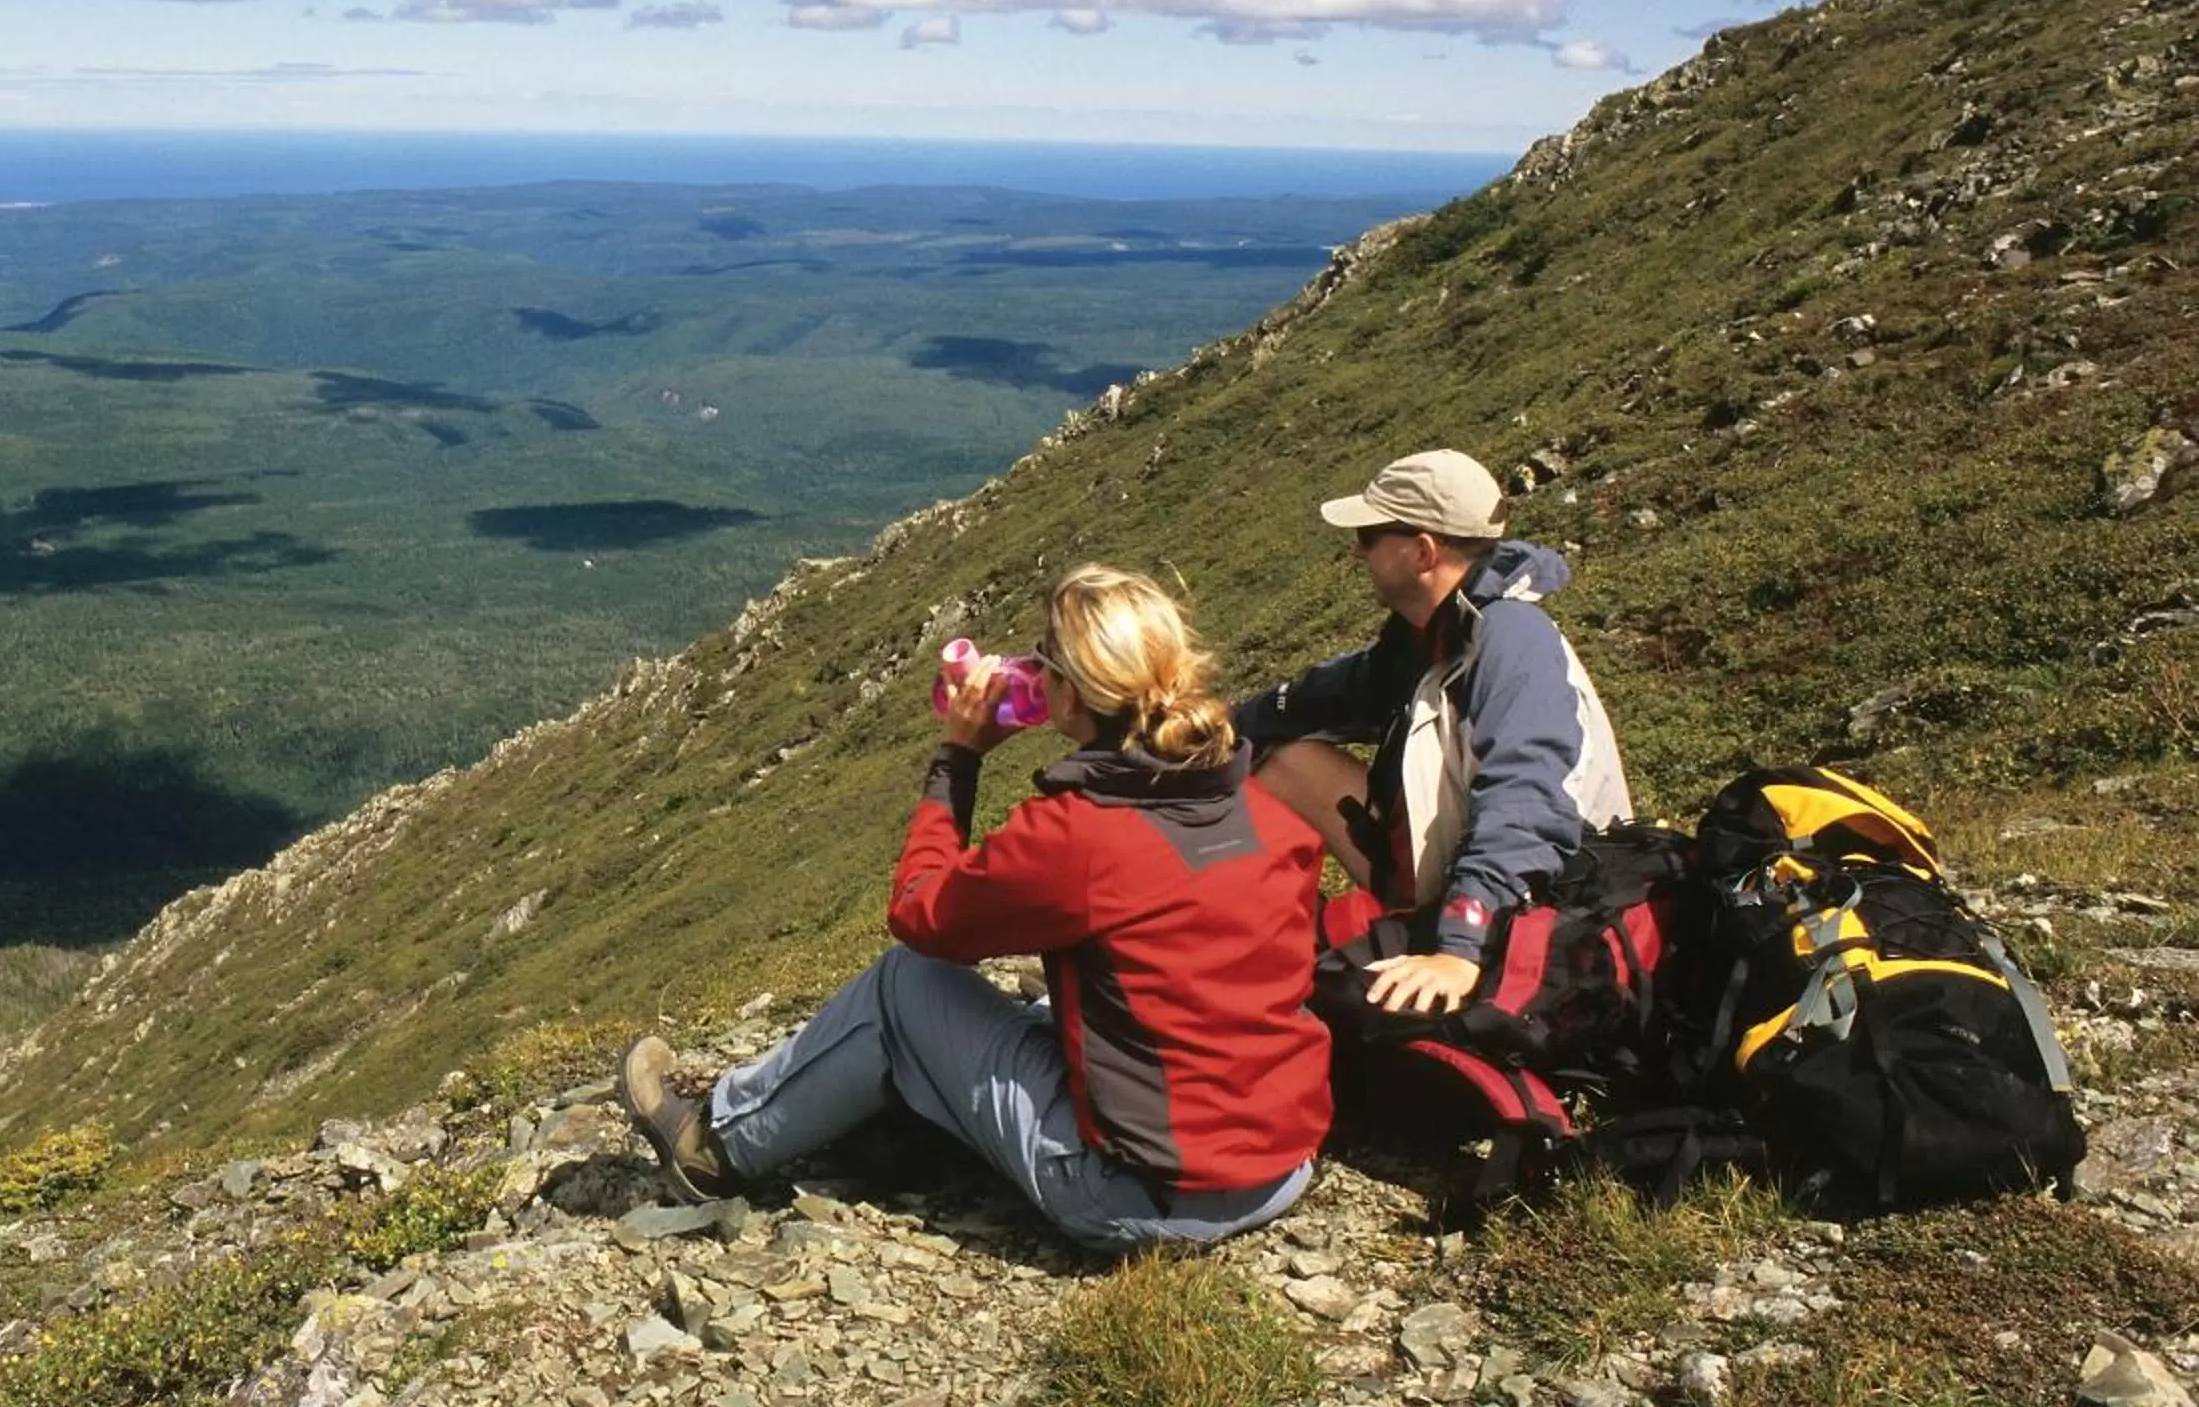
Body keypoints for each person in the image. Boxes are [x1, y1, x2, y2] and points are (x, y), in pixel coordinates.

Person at [617, 564, 1331, 1254]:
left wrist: (959, 757)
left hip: (1137, 1198)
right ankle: (888, 1114)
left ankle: (713, 1147)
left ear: (1072, 698)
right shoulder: (1261, 808)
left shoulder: (1081, 835)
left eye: (1045, 661)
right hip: (1280, 1168)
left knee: (905, 986)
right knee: (1055, 1013)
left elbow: (924, 915)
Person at [1235, 449, 1631, 1017]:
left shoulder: (1512, 642)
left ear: (1422, 551)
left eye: (1370, 536)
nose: (1358, 550)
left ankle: (1330, 946)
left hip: (1540, 895)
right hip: (1449, 857)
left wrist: (1460, 945)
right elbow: (1336, 692)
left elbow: (1527, 802)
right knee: (1283, 763)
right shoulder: (1435, 633)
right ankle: (1271, 925)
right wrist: (1215, 728)